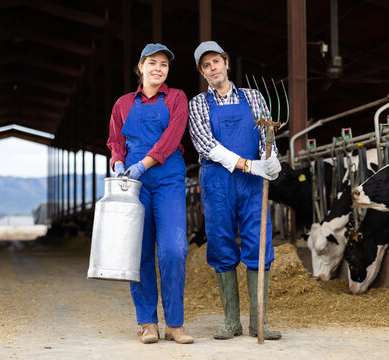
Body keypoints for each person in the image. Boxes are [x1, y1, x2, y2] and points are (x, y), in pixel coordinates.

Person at [188, 41, 282, 340]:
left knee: (259, 242)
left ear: (226, 63)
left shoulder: (253, 97)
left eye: (216, 61)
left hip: (253, 183)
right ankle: (232, 321)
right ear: (202, 73)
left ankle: (259, 321)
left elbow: (266, 134)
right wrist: (247, 165)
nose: (213, 68)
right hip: (218, 181)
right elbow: (207, 145)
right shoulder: (198, 104)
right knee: (221, 242)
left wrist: (271, 160)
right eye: (206, 65)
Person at [107, 43, 193, 344]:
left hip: (168, 177)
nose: (158, 68)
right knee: (140, 251)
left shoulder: (177, 98)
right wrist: (118, 163)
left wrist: (143, 164)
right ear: (140, 67)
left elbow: (172, 137)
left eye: (164, 65)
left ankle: (175, 324)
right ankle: (147, 322)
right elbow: (115, 140)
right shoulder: (122, 104)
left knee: (174, 249)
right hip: (133, 183)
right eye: (153, 63)